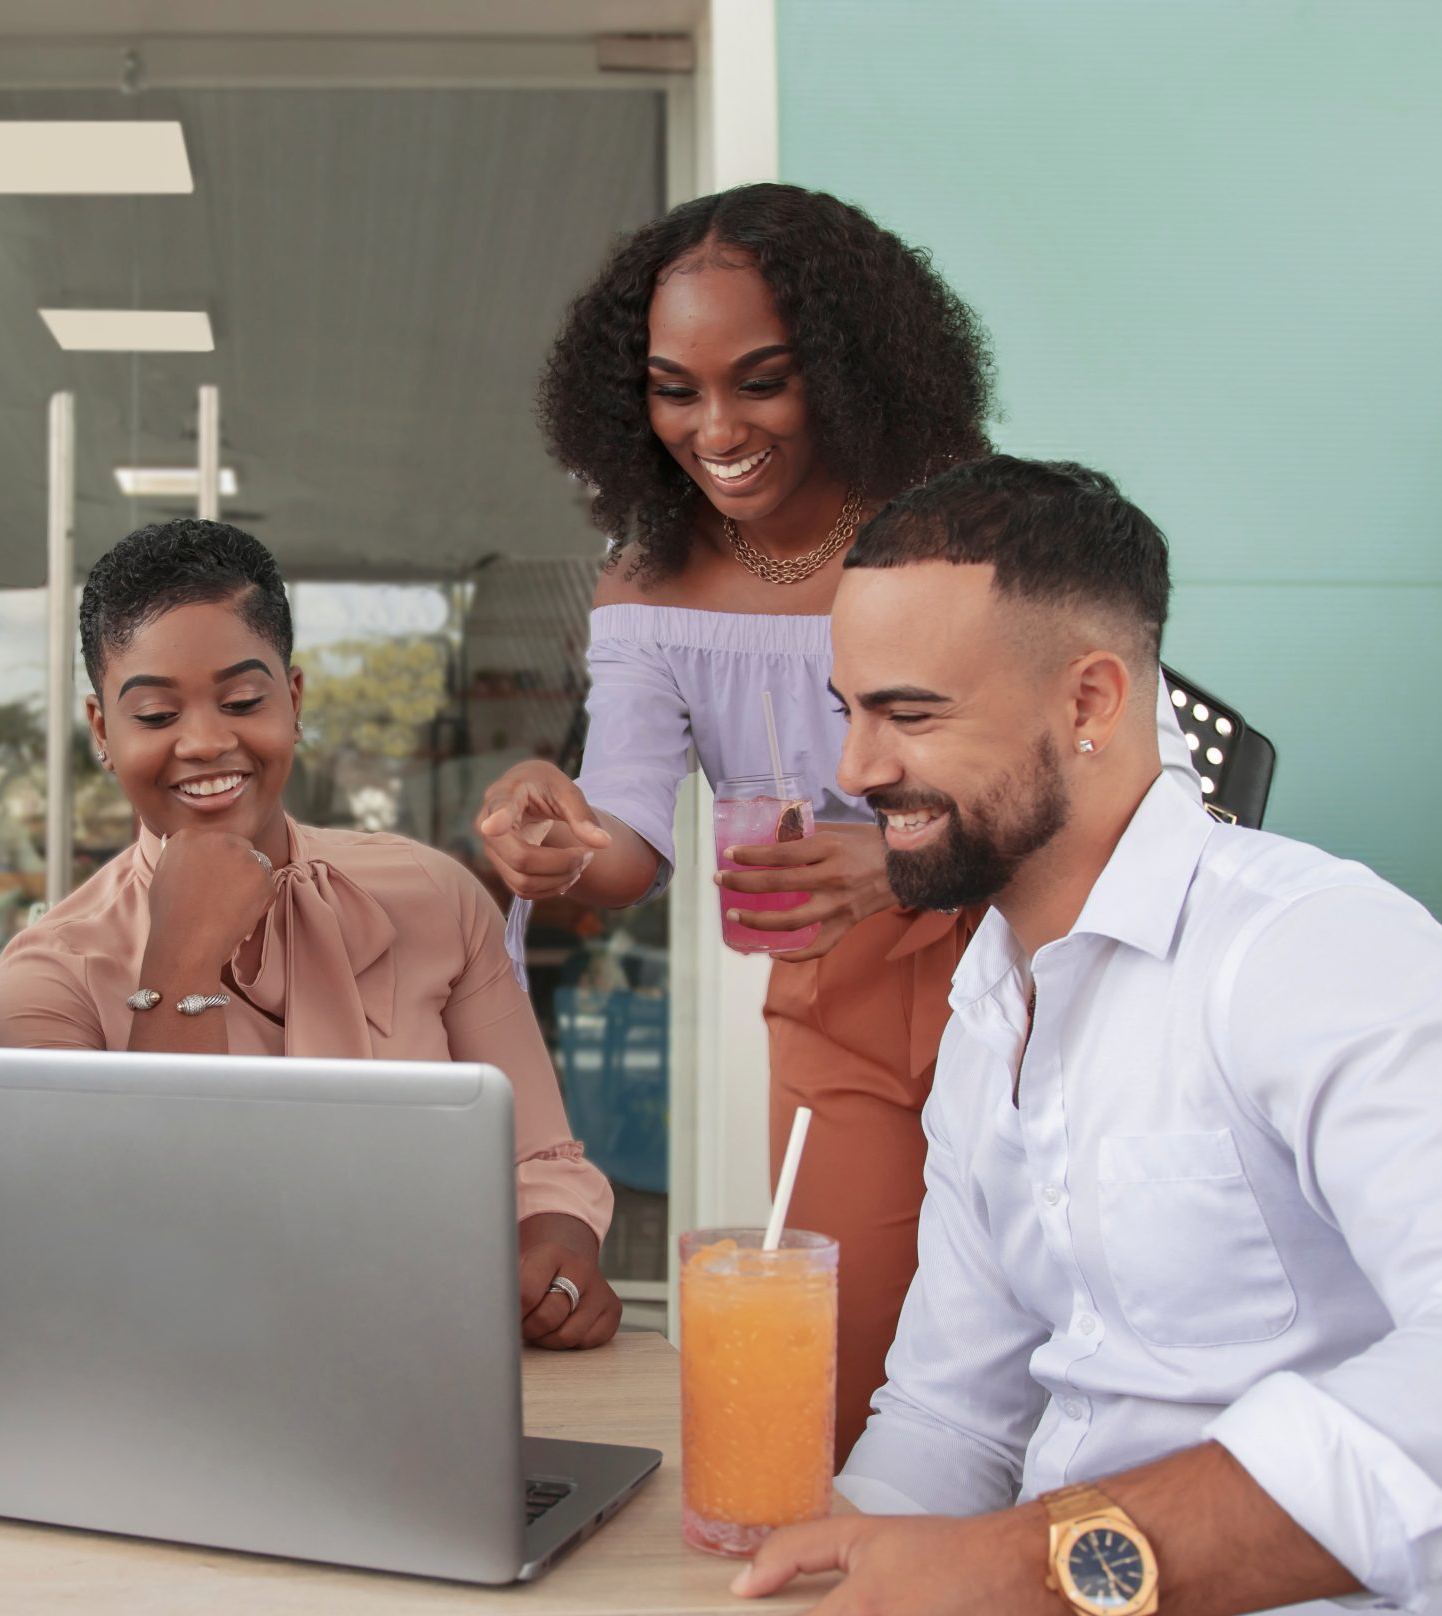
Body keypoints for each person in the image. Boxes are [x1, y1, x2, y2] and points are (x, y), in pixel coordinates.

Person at [735, 458, 1442, 1614]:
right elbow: (951, 1417)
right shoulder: (990, 1004)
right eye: (850, 711)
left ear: (1088, 701)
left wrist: (1038, 1570)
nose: (857, 770)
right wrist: (817, 1570)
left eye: (910, 712)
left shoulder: (1310, 948)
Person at [475, 183, 1196, 1457]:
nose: (715, 428)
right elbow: (630, 835)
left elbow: (1107, 765)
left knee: (1094, 1356)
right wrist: (567, 836)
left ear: (849, 368)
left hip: (1034, 967)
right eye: (674, 388)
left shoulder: (958, 533)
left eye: (760, 380)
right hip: (836, 1006)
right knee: (847, 1384)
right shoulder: (648, 576)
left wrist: (902, 860)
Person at [0, 519, 622, 1348]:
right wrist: (181, 957)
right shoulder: (48, 981)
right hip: (191, 1401)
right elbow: (118, 1249)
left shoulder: (434, 897)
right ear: (104, 733)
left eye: (244, 701)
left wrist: (558, 1255)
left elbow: (540, 1164)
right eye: (156, 712)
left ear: (296, 700)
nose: (207, 740)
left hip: (433, 1367)